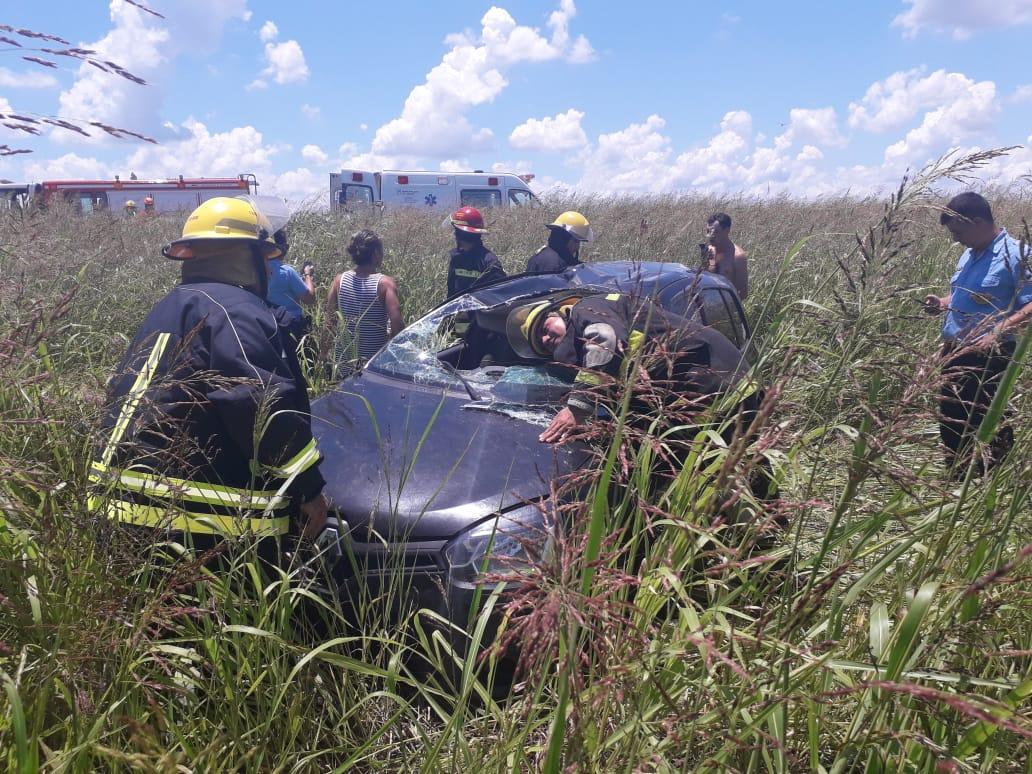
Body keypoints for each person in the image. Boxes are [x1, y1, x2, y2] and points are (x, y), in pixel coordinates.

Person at [88, 197, 328, 559]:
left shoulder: (173, 304)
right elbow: (261, 404)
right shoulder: (238, 311)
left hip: (113, 503)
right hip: (192, 522)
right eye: (266, 259)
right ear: (249, 256)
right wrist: (309, 488)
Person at [505, 291, 752, 445]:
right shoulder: (586, 358)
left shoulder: (585, 310)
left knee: (744, 468)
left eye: (544, 328)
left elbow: (605, 338)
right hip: (704, 391)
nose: (546, 338)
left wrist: (577, 408)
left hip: (717, 377)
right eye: (542, 343)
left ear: (559, 312)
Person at [923, 191, 1032, 476]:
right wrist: (942, 303)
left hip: (991, 354)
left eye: (958, 231)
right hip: (955, 351)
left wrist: (998, 331)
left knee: (988, 421)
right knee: (951, 420)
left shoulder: (1017, 254)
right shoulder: (968, 254)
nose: (955, 239)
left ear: (977, 222)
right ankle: (958, 479)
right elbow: (964, 295)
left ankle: (995, 483)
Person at [326, 229, 405, 370]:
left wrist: (322, 354)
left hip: (342, 363)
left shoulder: (339, 280)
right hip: (373, 366)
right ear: (375, 254)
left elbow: (329, 323)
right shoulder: (385, 284)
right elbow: (397, 325)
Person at [267, 227, 317, 347]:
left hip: (269, 325)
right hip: (291, 326)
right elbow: (309, 299)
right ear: (284, 248)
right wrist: (307, 275)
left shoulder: (256, 270)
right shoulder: (287, 272)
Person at [446, 206, 506, 298]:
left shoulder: (489, 262)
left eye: (457, 233)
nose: (456, 236)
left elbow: (500, 297)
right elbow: (451, 295)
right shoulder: (456, 259)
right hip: (460, 311)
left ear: (465, 236)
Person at [526, 211, 594, 274]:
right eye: (576, 241)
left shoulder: (546, 256)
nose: (577, 247)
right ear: (563, 238)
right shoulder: (553, 264)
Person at [705, 212, 748, 300]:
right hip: (707, 304)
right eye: (708, 231)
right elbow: (707, 276)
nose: (711, 235)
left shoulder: (737, 257)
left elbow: (742, 293)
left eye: (716, 231)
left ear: (727, 231)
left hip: (726, 307)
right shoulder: (710, 251)